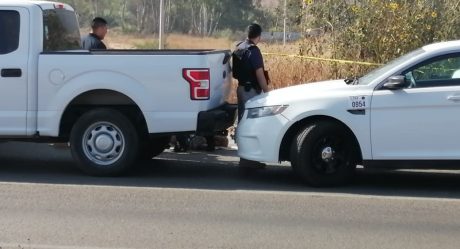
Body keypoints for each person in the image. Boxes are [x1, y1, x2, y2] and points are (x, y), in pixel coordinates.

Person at [233, 23, 270, 169]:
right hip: (251, 92)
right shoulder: (254, 51)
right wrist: (267, 91)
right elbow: (259, 74)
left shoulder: (239, 47)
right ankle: (249, 160)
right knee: (252, 124)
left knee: (243, 122)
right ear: (259, 36)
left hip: (241, 88)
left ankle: (245, 159)